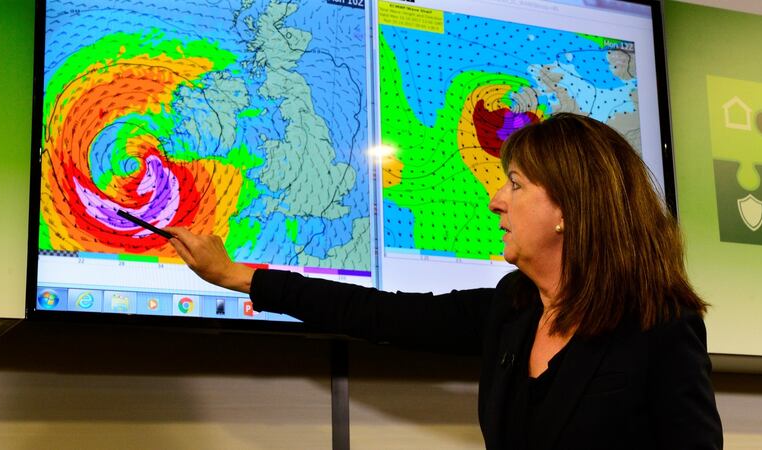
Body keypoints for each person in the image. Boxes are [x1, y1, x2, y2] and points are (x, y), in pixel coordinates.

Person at [166, 113, 723, 449]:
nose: (495, 200)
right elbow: (379, 314)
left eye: (516, 184)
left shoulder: (660, 327)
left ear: (568, 210)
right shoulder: (514, 309)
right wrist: (240, 277)